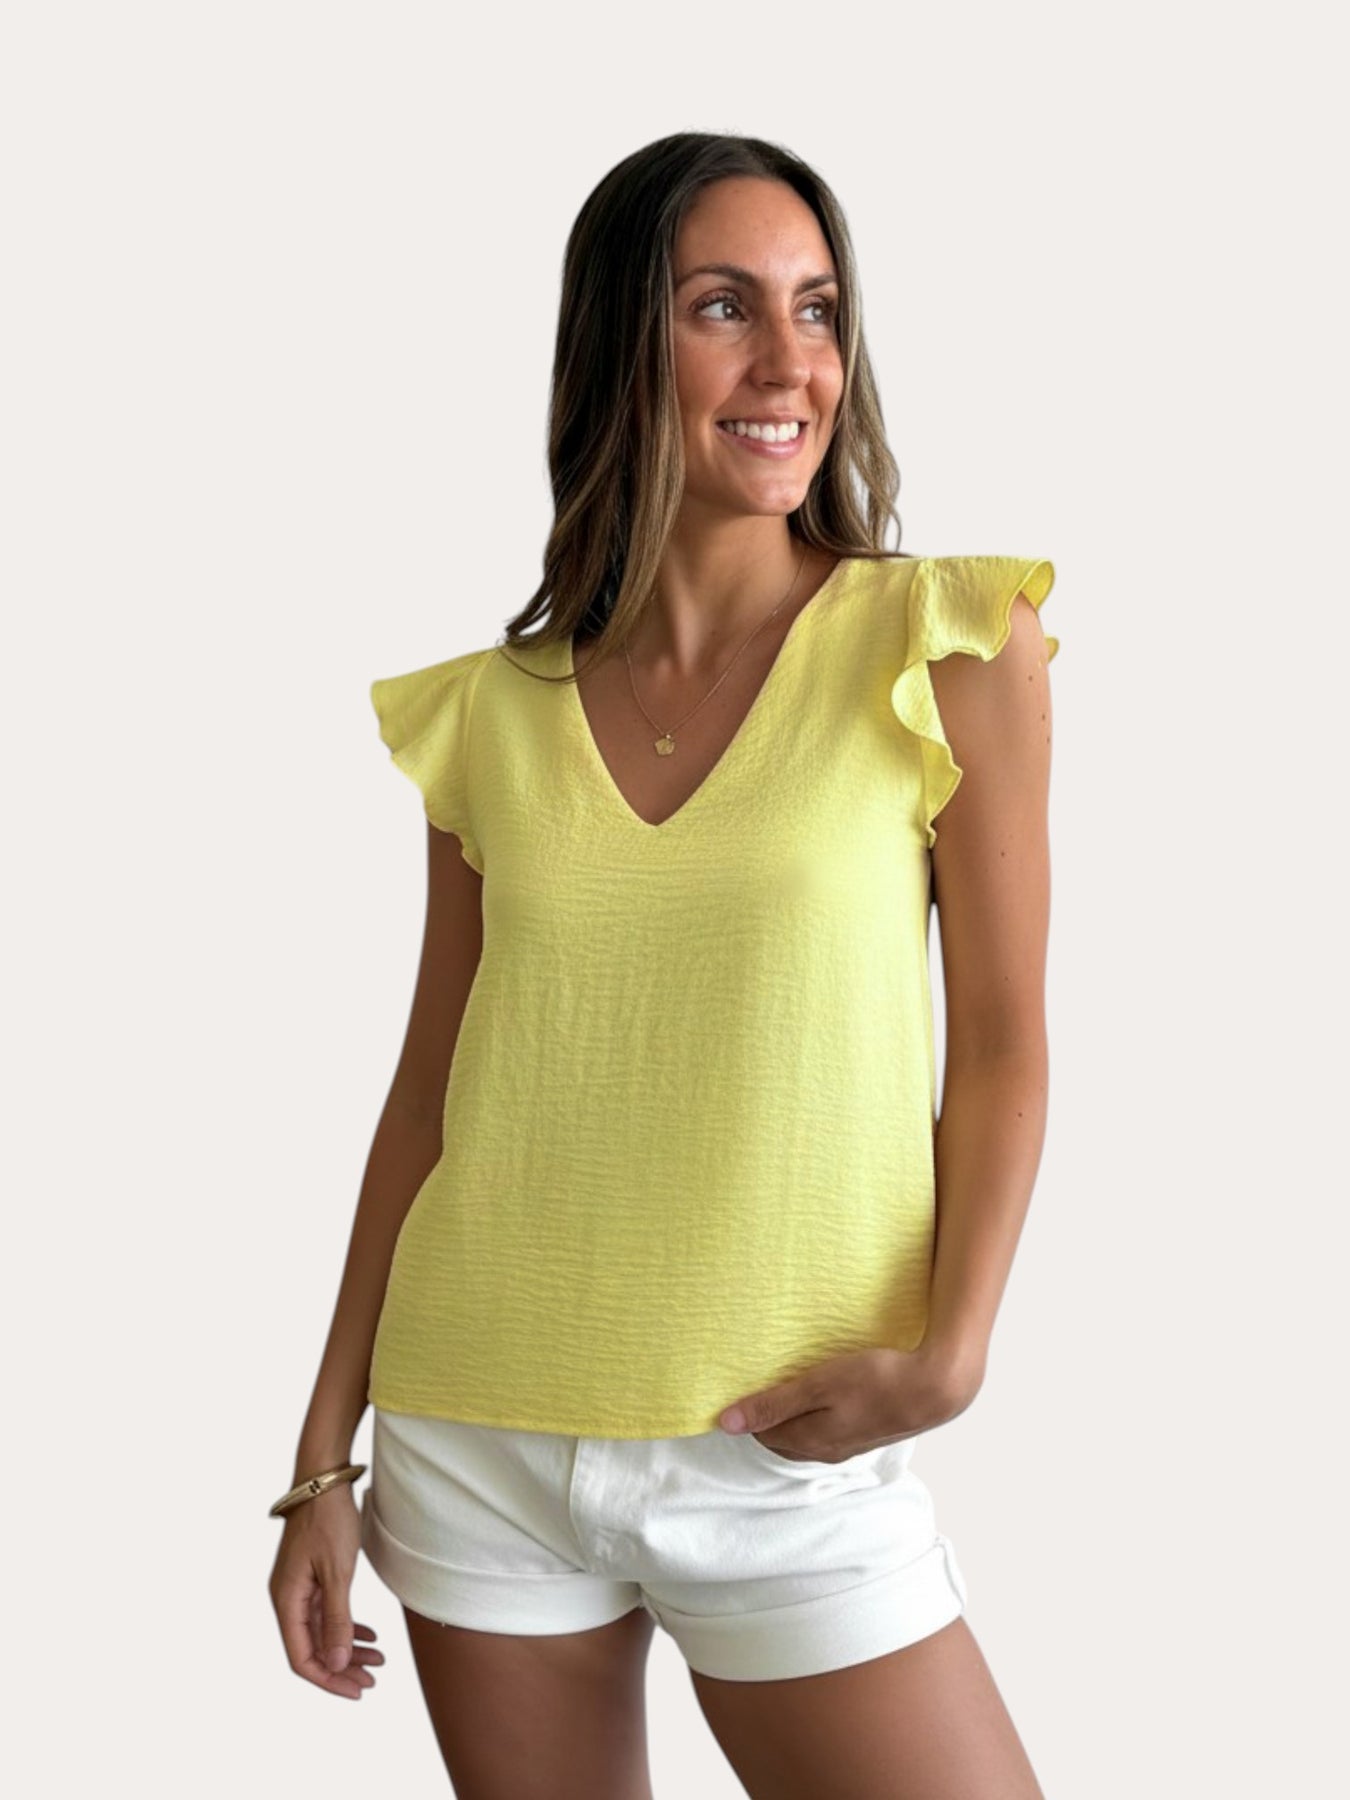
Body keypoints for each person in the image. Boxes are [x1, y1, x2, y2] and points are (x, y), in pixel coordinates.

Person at [268, 130, 1058, 1799]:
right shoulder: (492, 714)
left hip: (784, 1443)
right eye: (723, 307)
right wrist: (321, 1455)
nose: (789, 365)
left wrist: (954, 1349)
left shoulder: (943, 645)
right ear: (620, 343)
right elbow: (432, 1092)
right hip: (475, 1433)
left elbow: (999, 1041)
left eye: (817, 309)